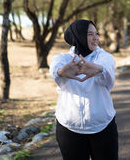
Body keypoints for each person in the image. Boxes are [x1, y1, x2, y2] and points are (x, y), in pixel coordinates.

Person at [49, 19, 118, 160]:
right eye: (90, 34)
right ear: (78, 35)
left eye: (97, 34)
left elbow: (106, 68)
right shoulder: (62, 58)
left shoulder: (104, 56)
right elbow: (55, 70)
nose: (96, 38)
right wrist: (62, 72)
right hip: (69, 128)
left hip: (103, 126)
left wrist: (96, 69)